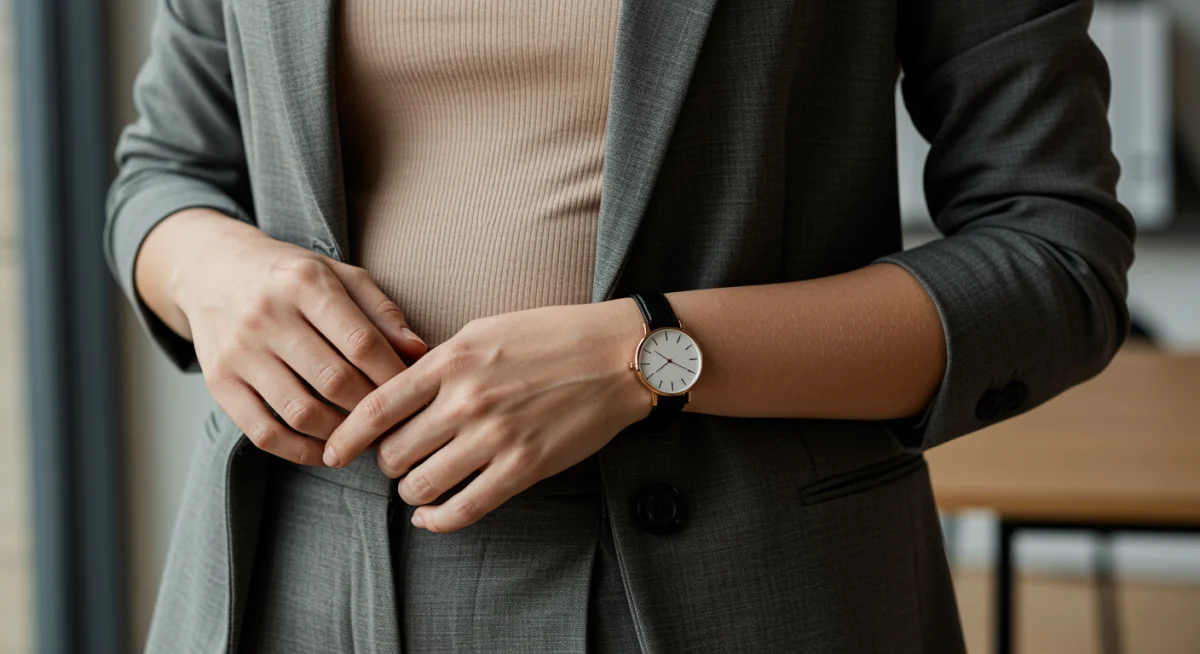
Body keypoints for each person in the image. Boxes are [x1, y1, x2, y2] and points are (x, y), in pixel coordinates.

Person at [105, 0, 1134, 652]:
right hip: (294, 575)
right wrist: (208, 270)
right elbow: (167, 167)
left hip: (732, 584)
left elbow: (1053, 255)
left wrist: (646, 356)